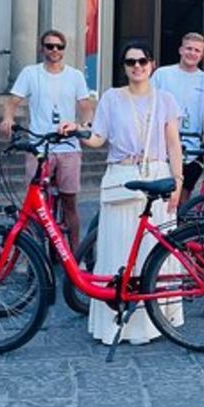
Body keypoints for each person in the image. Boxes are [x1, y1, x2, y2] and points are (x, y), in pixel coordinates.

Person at [65, 41, 183, 346]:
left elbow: (173, 144)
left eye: (143, 61)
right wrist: (77, 130)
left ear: (152, 64)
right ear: (124, 66)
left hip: (156, 173)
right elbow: (98, 138)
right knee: (117, 246)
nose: (137, 67)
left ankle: (155, 320)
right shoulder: (111, 98)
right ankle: (120, 320)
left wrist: (178, 181)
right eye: (130, 62)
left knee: (153, 248)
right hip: (120, 175)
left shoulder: (166, 99)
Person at [0, 30, 94, 250]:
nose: (54, 50)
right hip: (39, 146)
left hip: (68, 145)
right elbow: (13, 101)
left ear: (64, 50)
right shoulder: (31, 73)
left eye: (59, 47)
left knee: (70, 201)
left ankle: (74, 252)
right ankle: (32, 252)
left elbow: (86, 107)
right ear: (42, 49)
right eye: (50, 46)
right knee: (34, 202)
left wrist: (83, 126)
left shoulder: (75, 76)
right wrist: (7, 118)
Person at [150, 32, 204, 197]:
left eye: (197, 50)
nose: (192, 53)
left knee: (183, 198)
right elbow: (147, 104)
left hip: (192, 149)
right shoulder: (162, 74)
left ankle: (181, 223)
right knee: (159, 199)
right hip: (161, 147)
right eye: (189, 48)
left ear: (202, 55)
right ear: (181, 50)